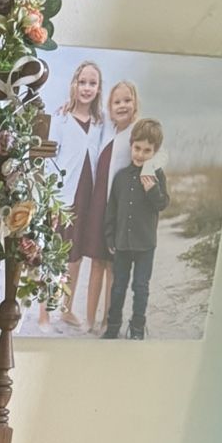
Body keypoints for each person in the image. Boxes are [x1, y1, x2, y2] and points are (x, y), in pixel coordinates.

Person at [42, 60, 104, 327]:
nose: (87, 88)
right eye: (82, 82)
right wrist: (51, 200)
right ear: (74, 85)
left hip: (87, 196)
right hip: (64, 196)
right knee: (54, 253)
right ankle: (45, 311)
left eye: (92, 83)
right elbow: (49, 160)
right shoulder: (61, 119)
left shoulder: (100, 123)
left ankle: (66, 309)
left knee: (75, 255)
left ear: (98, 88)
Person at [76, 78, 138, 333]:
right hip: (99, 206)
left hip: (119, 209)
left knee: (113, 266)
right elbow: (84, 113)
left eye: (127, 100)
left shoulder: (136, 132)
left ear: (135, 104)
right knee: (96, 264)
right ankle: (90, 319)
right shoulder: (106, 130)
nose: (122, 105)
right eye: (117, 102)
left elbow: (158, 152)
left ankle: (108, 320)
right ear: (110, 107)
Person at [103, 116, 169, 340]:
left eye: (147, 150)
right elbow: (111, 210)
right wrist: (110, 237)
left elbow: (162, 204)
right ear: (131, 145)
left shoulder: (156, 176)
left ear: (155, 152)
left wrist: (152, 190)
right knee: (118, 287)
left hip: (145, 244)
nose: (140, 154)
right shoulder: (121, 177)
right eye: (137, 148)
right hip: (122, 243)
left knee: (140, 287)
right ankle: (113, 327)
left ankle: (138, 328)